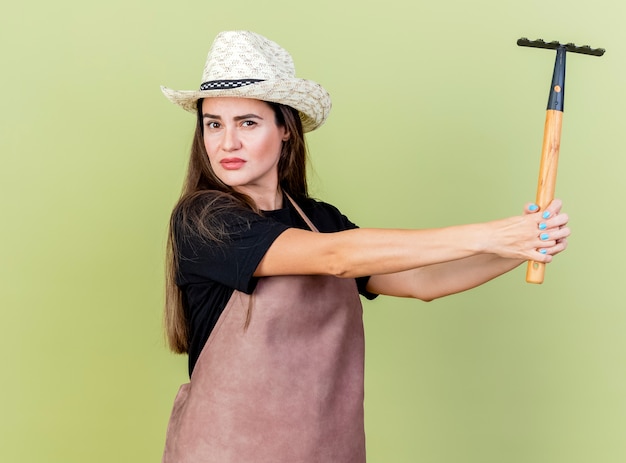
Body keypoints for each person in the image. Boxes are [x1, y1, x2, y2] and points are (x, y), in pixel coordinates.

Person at [159, 31, 570, 463]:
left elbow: (423, 280)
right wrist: (493, 234)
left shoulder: (321, 221)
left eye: (247, 122)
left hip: (327, 451)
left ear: (285, 129)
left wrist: (524, 245)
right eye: (213, 124)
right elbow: (336, 258)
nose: (227, 143)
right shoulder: (203, 221)